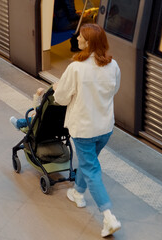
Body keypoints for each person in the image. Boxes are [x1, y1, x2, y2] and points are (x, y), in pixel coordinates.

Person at [52, 23, 121, 237]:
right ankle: (78, 193)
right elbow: (114, 91)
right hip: (105, 128)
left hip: (84, 129)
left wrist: (58, 89)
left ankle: (108, 216)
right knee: (88, 161)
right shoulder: (113, 66)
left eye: (81, 36)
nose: (77, 38)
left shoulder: (76, 68)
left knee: (92, 170)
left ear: (88, 42)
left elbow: (61, 98)